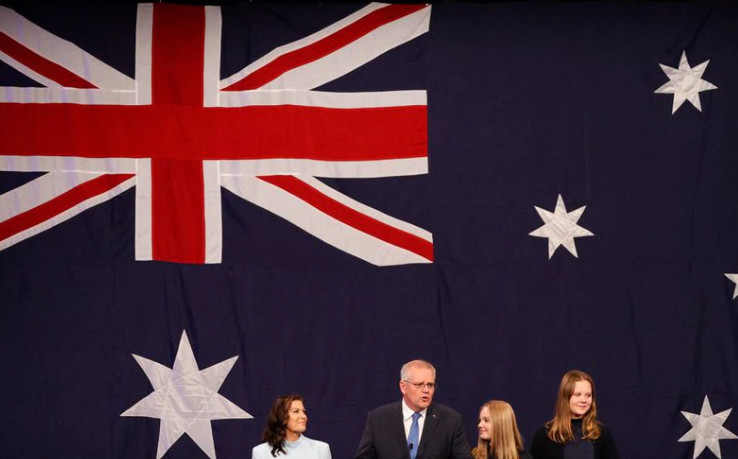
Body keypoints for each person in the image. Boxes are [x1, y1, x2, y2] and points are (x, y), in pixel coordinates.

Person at [354, 359, 471, 459]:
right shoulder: (379, 419)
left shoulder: (450, 420)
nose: (426, 390)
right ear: (403, 387)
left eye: (430, 385)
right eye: (419, 384)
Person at [529, 370, 619, 459]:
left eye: (588, 395)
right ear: (565, 397)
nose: (584, 400)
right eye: (578, 394)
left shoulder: (602, 434)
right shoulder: (545, 435)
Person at [252, 394, 332, 459]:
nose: (303, 416)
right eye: (296, 411)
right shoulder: (260, 452)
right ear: (281, 416)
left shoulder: (321, 449)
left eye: (303, 411)